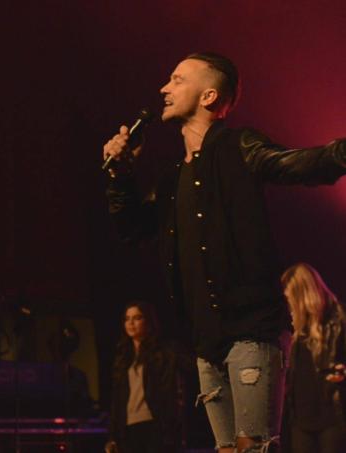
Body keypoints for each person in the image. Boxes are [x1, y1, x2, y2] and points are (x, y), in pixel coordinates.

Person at [102, 52, 346, 453]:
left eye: (178, 79)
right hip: (206, 341)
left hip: (251, 329)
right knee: (228, 449)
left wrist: (339, 153)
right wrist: (120, 174)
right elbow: (132, 228)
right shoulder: (171, 180)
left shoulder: (238, 146)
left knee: (253, 447)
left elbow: (293, 163)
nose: (164, 88)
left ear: (209, 96)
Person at [281, 263, 346, 453]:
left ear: (302, 296)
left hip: (332, 416)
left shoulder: (339, 319)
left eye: (291, 299)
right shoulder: (298, 329)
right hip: (301, 419)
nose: (289, 305)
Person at [106, 301, 185, 453]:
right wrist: (112, 436)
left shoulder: (161, 353)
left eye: (137, 318)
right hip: (128, 427)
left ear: (148, 322)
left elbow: (169, 393)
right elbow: (116, 400)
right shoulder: (123, 358)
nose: (131, 323)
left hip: (153, 425)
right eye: (127, 319)